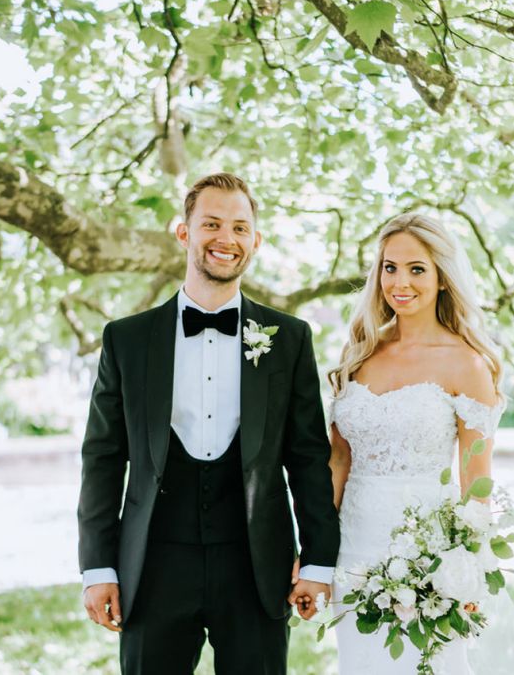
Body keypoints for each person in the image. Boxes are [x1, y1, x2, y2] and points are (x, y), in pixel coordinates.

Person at [77, 172, 339, 674]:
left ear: (256, 242)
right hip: (152, 566)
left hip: (257, 566)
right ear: (184, 232)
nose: (227, 239)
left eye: (240, 228)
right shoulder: (127, 340)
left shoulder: (289, 338)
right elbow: (103, 459)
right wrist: (97, 566)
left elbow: (309, 457)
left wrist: (319, 560)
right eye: (212, 224)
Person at [327, 213, 514, 674]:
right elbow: (339, 460)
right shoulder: (359, 352)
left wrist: (468, 565)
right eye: (390, 267)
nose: (400, 282)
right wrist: (313, 549)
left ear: (442, 278)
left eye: (417, 269)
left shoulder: (466, 364)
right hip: (352, 547)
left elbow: (476, 478)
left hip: (426, 552)